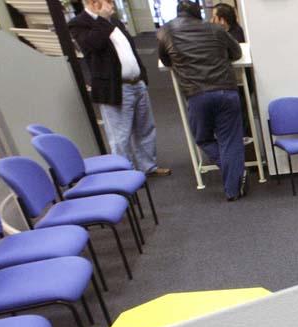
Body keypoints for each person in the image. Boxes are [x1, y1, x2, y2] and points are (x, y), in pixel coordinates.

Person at [69, 0, 171, 177]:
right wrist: (101, 19)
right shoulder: (79, 23)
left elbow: (129, 49)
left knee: (145, 129)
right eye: (107, 1)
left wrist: (142, 76)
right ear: (93, 3)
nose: (112, 4)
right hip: (115, 88)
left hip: (137, 83)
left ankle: (147, 167)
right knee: (120, 137)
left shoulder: (114, 21)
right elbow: (92, 46)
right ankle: (125, 175)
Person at [158, 0, 247, 201]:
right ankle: (233, 189)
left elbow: (165, 60)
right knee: (230, 140)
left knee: (203, 138)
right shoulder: (216, 29)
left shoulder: (166, 31)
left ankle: (235, 173)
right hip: (226, 90)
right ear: (198, 13)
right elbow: (236, 53)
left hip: (196, 94)